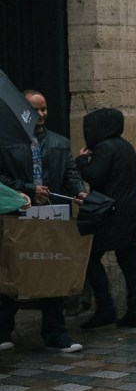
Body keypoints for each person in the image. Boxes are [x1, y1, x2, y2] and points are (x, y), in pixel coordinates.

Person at [0, 90, 85, 353]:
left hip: (52, 216)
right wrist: (27, 188)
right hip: (17, 215)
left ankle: (55, 334)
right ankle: (3, 330)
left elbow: (70, 174)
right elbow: (1, 180)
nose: (41, 114)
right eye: (35, 109)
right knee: (12, 271)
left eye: (44, 108)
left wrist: (79, 190)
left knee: (53, 271)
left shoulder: (59, 142)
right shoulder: (5, 143)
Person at [75, 108, 136, 329]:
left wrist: (81, 161)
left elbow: (94, 177)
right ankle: (135, 310)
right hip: (131, 210)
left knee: (90, 258)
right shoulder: (124, 145)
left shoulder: (104, 147)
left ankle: (106, 308)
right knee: (128, 260)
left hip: (112, 213)